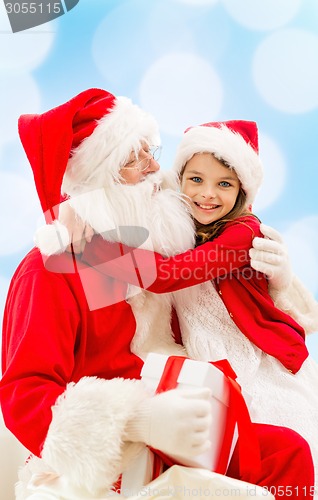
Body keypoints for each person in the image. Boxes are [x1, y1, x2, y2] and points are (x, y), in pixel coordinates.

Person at [0, 89, 315, 499]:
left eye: (152, 151)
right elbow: (25, 394)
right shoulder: (52, 269)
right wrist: (137, 420)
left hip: (183, 425)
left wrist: (282, 281)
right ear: (100, 178)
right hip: (111, 453)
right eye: (134, 159)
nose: (154, 167)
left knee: (288, 453)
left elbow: (227, 289)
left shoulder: (158, 242)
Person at [80, 119, 318, 491]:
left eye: (224, 183)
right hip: (207, 360)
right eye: (196, 180)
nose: (207, 194)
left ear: (242, 191)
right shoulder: (180, 224)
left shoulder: (243, 232)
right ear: (180, 180)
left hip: (259, 361)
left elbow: (172, 275)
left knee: (278, 455)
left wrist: (103, 251)